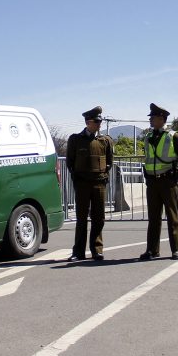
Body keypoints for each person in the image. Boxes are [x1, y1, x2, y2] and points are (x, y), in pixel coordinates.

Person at [139, 103, 178, 261]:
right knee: (153, 218)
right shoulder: (148, 137)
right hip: (152, 182)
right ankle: (152, 250)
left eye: (153, 118)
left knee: (171, 216)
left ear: (161, 118)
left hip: (168, 180)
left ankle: (176, 249)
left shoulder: (174, 136)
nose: (151, 120)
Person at [65, 106, 113, 262]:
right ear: (88, 122)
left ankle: (97, 250)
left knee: (99, 218)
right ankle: (78, 251)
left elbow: (109, 162)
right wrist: (77, 180)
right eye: (96, 122)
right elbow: (70, 162)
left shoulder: (105, 141)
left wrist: (103, 177)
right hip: (83, 184)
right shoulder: (75, 139)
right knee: (81, 219)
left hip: (99, 184)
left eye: (100, 122)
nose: (99, 125)